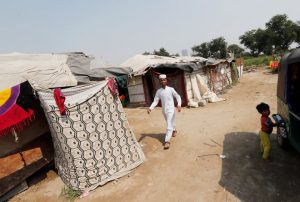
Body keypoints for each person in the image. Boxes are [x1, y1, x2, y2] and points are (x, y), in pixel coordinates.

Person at [147, 74, 182, 149]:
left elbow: (178, 97)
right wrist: (150, 108)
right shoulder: (158, 91)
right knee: (170, 121)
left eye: (164, 80)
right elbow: (155, 101)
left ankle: (167, 141)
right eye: (161, 80)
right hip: (164, 111)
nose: (163, 81)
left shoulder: (171, 89)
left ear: (166, 81)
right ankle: (174, 130)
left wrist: (179, 105)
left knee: (169, 124)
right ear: (160, 81)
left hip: (171, 109)